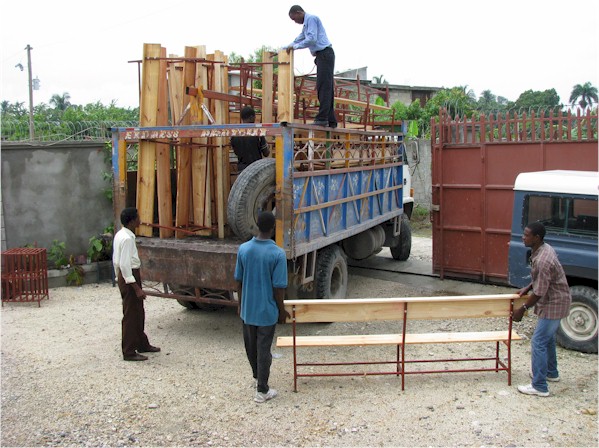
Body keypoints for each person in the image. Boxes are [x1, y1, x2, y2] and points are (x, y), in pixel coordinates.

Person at [234, 211, 290, 403]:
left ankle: (258, 376)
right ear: (273, 228)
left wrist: (240, 304)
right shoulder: (278, 254)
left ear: (256, 225)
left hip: (248, 309)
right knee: (264, 349)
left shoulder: (243, 249)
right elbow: (278, 288)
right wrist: (282, 311)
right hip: (266, 311)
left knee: (251, 347)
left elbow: (239, 282)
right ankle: (262, 390)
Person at [513, 221, 571, 397]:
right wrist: (527, 288)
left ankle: (539, 385)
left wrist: (522, 308)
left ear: (536, 238)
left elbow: (541, 291)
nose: (523, 237)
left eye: (526, 235)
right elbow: (540, 279)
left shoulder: (544, 259)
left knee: (538, 341)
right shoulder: (543, 249)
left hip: (554, 303)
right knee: (548, 338)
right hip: (555, 300)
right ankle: (551, 373)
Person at [113, 207, 160, 361]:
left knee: (138, 312)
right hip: (130, 277)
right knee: (131, 315)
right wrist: (136, 288)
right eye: (138, 217)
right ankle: (128, 351)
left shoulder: (121, 234)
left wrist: (118, 277)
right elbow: (125, 265)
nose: (140, 220)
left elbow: (116, 261)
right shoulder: (127, 239)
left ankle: (141, 343)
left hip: (126, 277)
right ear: (132, 221)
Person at [286, 5, 337, 128]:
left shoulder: (311, 19)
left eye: (294, 19)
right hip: (323, 56)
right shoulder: (306, 25)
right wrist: (286, 46)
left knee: (323, 87)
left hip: (324, 54)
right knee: (327, 88)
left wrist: (294, 47)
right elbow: (300, 38)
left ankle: (322, 118)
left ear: (299, 12)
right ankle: (331, 120)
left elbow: (311, 39)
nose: (295, 22)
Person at [231, 106, 270, 173]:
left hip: (242, 170)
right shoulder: (257, 132)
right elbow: (266, 153)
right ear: (251, 117)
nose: (255, 118)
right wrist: (267, 146)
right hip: (256, 169)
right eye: (255, 116)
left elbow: (236, 152)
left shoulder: (234, 134)